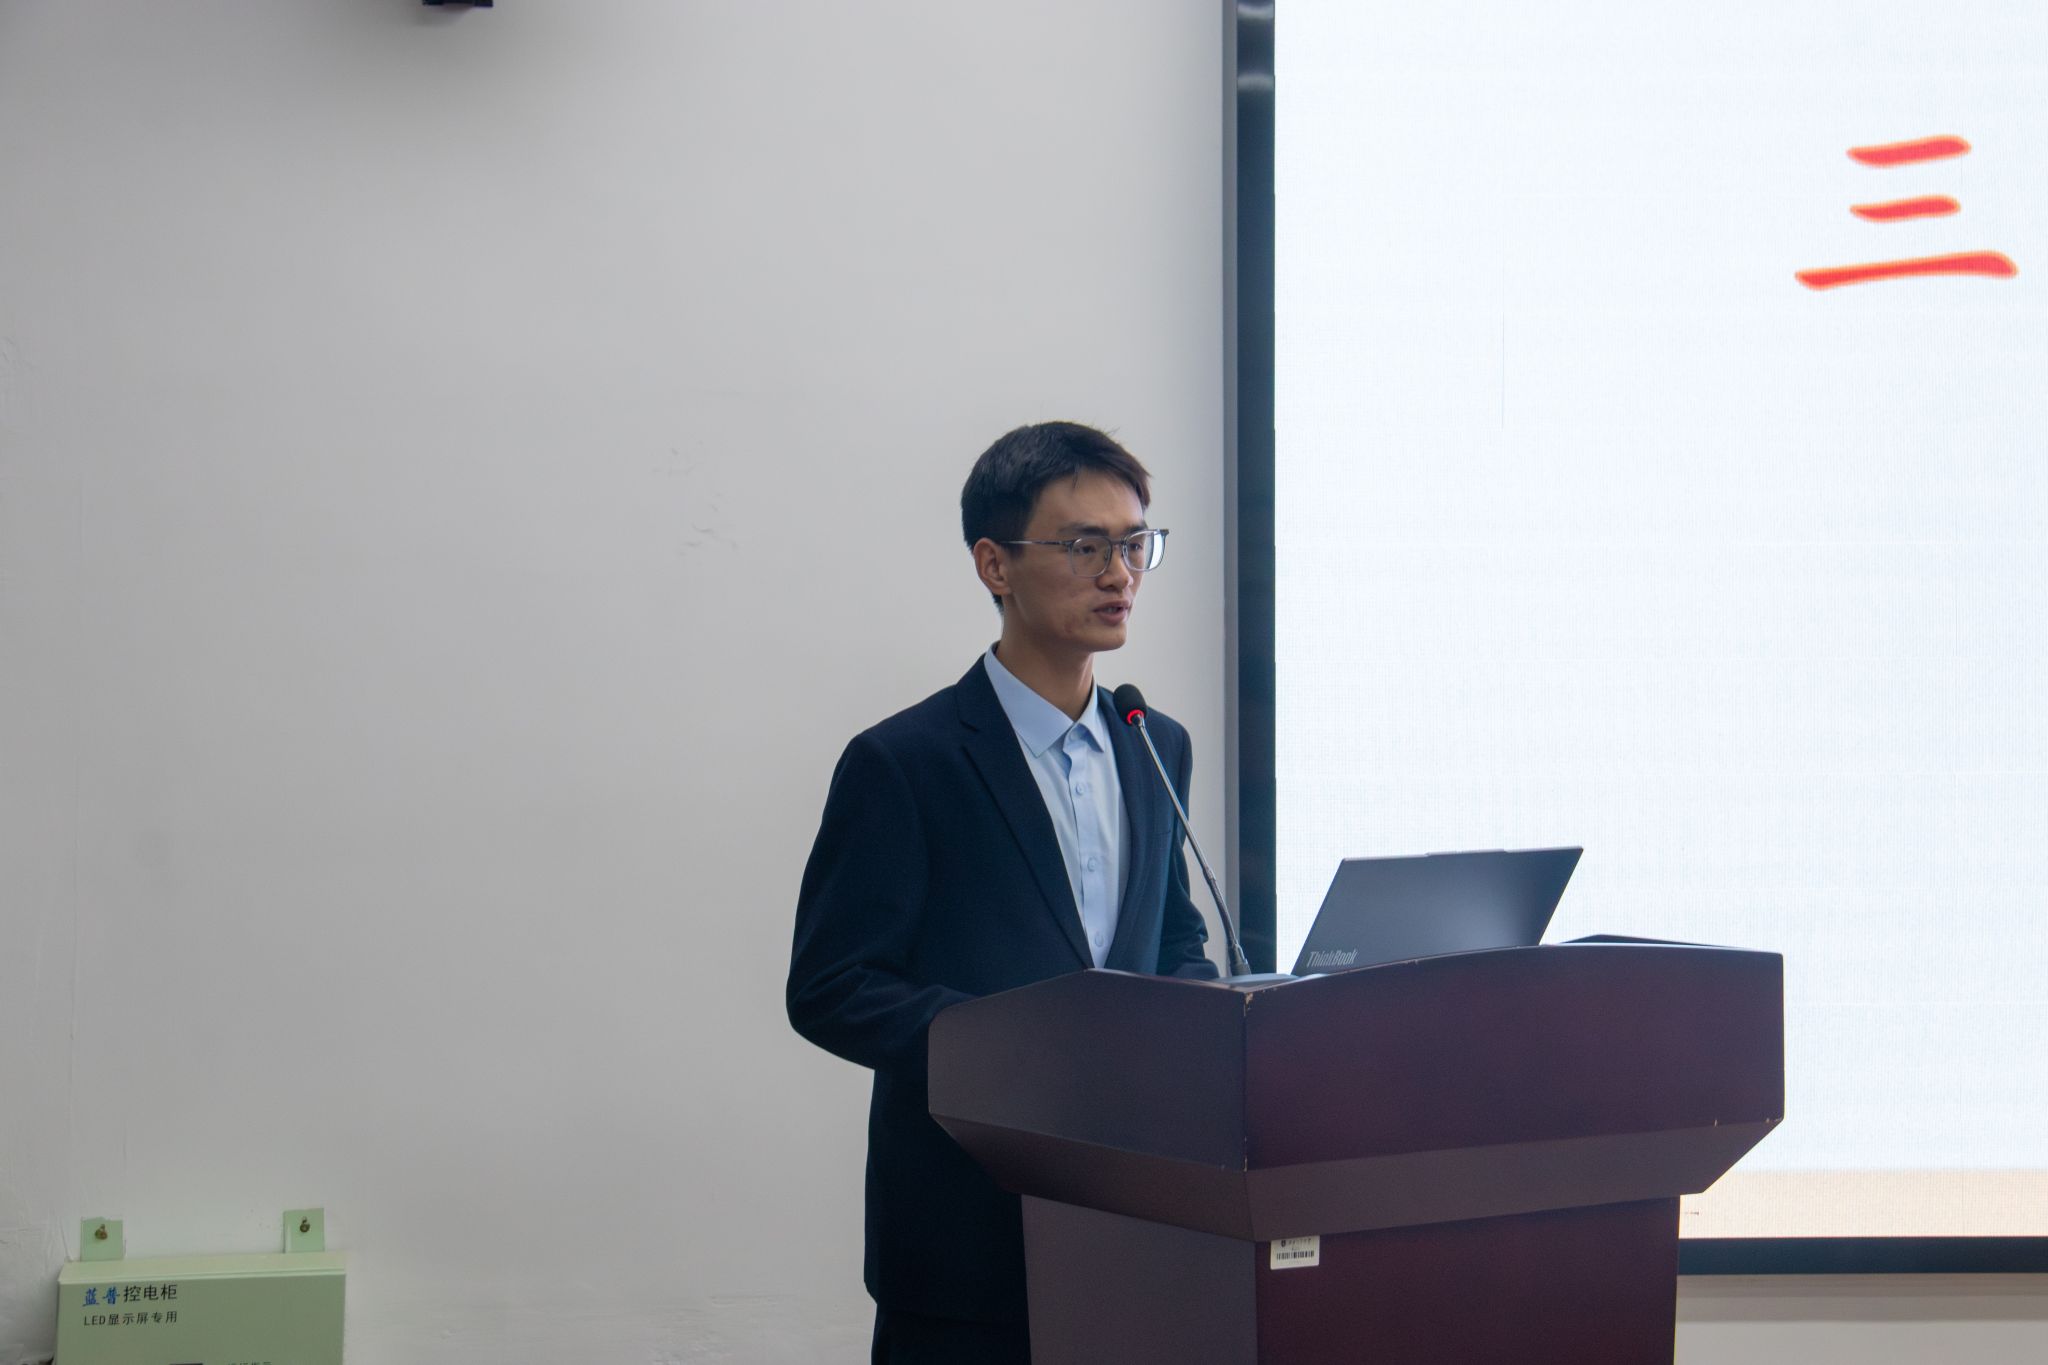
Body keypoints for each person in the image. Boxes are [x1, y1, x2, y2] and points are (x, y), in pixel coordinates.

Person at [786, 420, 1221, 1364]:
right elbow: (831, 986)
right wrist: (1016, 1048)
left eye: (1135, 544)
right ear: (995, 563)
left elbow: (1173, 938)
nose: (1120, 574)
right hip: (963, 1241)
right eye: (1085, 545)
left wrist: (1207, 1021)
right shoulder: (905, 762)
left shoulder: (1155, 742)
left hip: (1136, 1221)